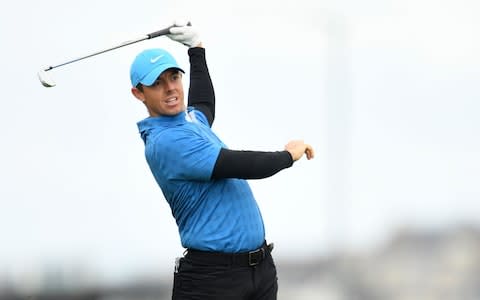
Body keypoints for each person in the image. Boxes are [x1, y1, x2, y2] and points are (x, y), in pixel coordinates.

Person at [129, 20, 314, 300]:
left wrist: (196, 49)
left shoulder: (189, 121)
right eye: (157, 83)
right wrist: (287, 156)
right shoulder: (166, 142)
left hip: (259, 271)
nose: (170, 88)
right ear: (139, 93)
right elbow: (238, 164)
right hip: (213, 281)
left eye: (174, 77)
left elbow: (204, 105)